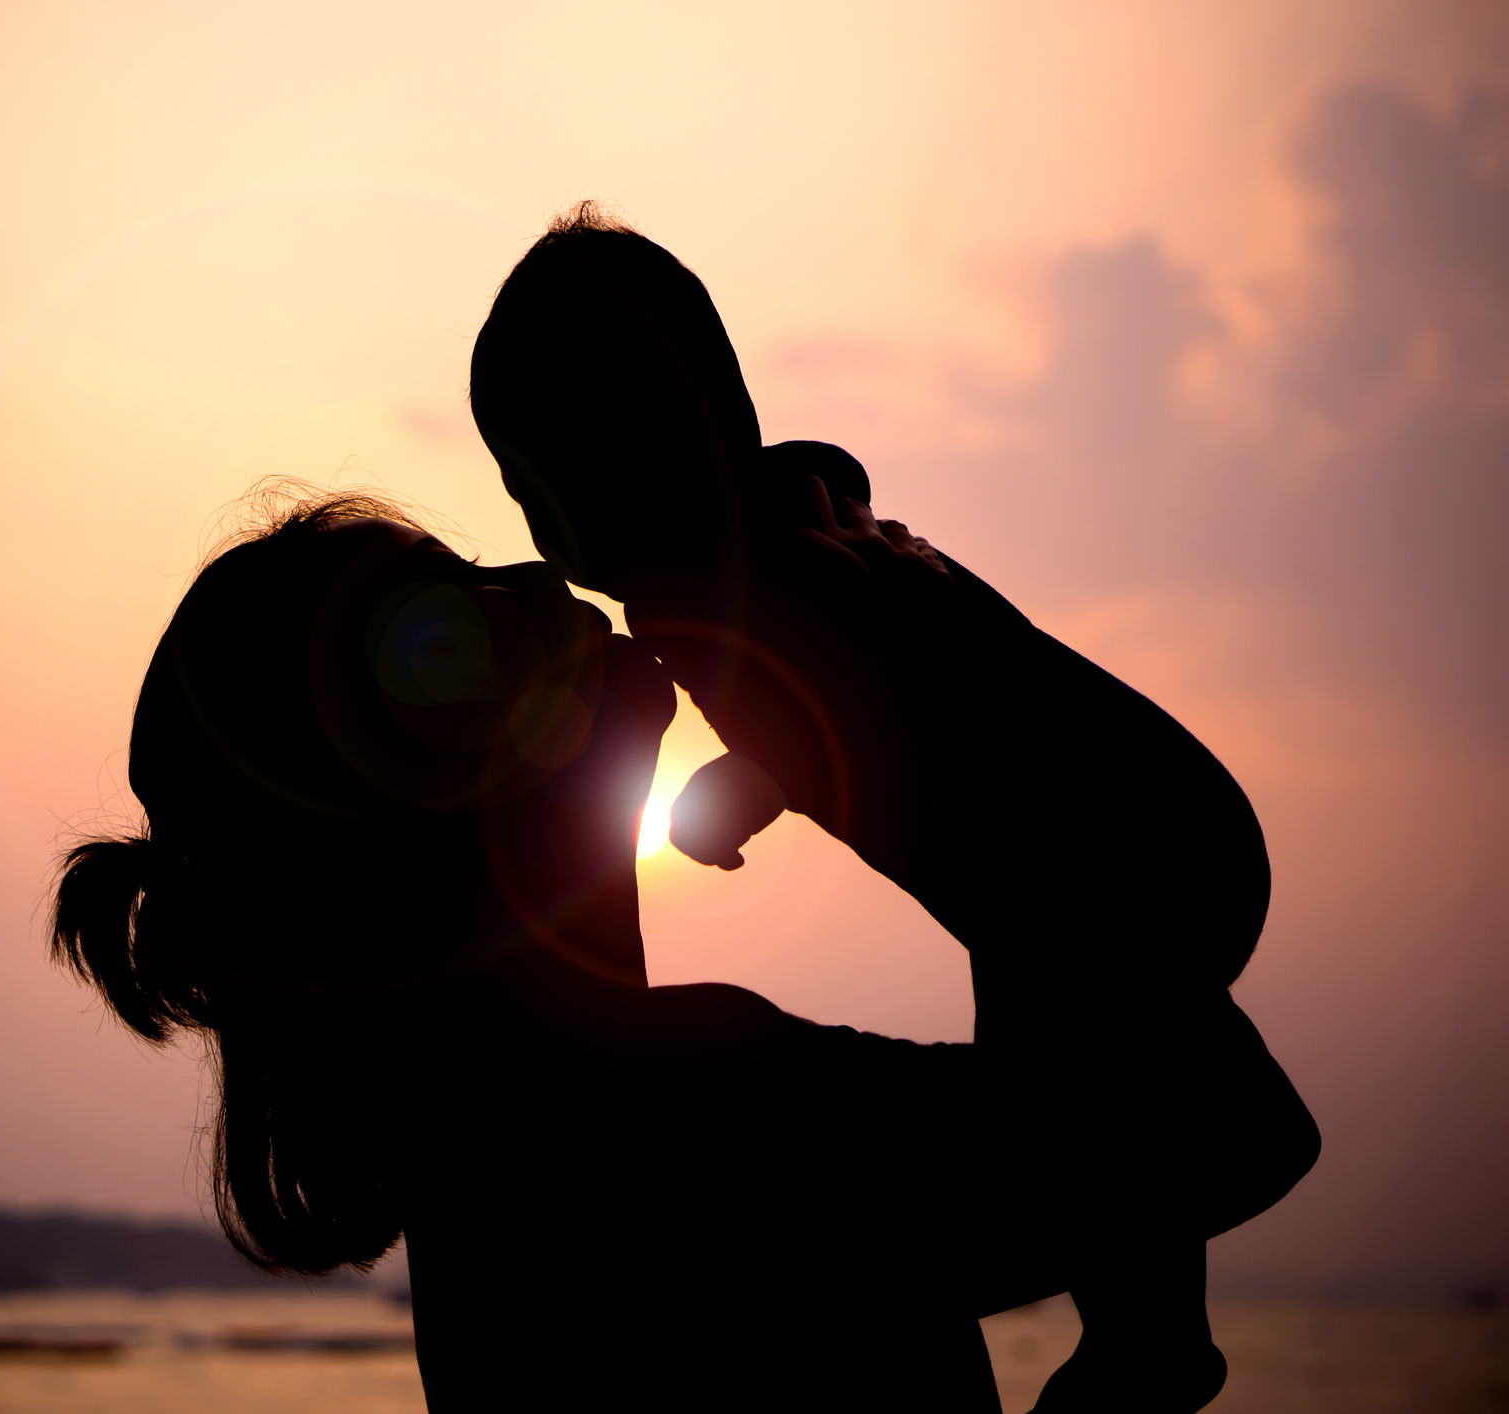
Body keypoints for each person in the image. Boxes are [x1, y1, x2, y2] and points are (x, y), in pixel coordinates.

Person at [467, 204, 1322, 1409]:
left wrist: (739, 788)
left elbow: (847, 695)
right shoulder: (777, 530)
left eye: (532, 479)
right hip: (1107, 848)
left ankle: (1153, 1333)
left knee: (1075, 1067)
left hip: (1114, 851)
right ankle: (1150, 1331)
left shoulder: (750, 579)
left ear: (614, 456)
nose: (534, 522)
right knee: (1064, 1060)